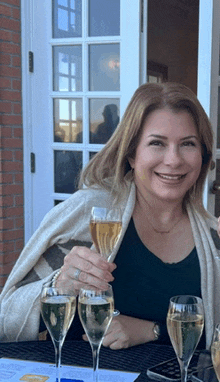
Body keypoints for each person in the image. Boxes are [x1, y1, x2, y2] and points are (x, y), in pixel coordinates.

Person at [1, 82, 220, 351]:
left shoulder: (212, 239)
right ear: (131, 154)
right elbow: (6, 320)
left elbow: (212, 340)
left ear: (203, 155)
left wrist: (152, 331)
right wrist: (59, 286)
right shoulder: (94, 216)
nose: (173, 160)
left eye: (187, 143)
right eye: (156, 143)